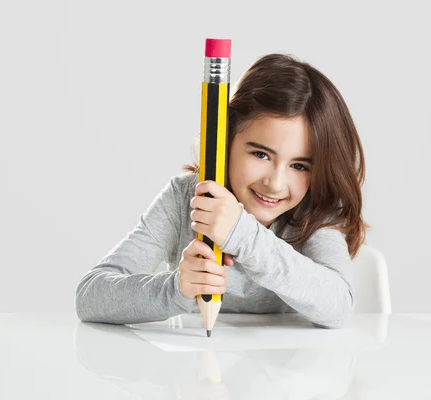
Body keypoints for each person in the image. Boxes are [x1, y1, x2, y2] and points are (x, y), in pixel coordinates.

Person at [75, 53, 368, 329]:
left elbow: (339, 306)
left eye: (300, 166)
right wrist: (175, 288)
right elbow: (90, 296)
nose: (276, 183)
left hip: (284, 375)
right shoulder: (184, 198)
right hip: (194, 373)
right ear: (226, 140)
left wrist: (243, 235)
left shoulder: (315, 211)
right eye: (261, 155)